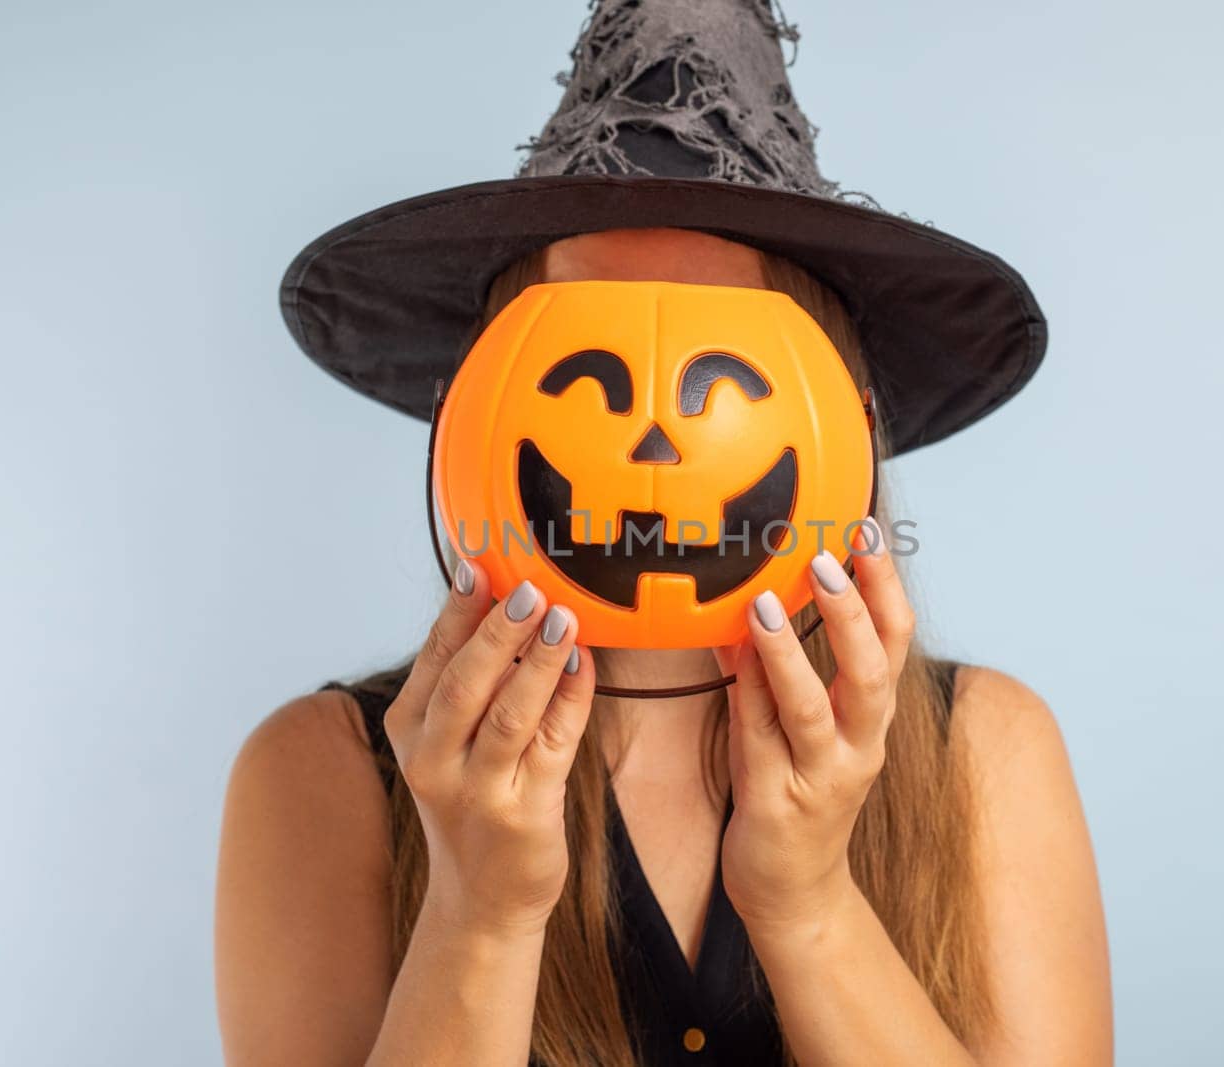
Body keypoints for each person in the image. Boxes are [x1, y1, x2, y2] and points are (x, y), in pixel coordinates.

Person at [217, 5, 1111, 1066]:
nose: (656, 446)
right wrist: (481, 912)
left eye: (721, 380)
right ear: (473, 414)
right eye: (588, 366)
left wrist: (808, 902)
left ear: (845, 426)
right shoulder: (321, 774)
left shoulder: (985, 754)